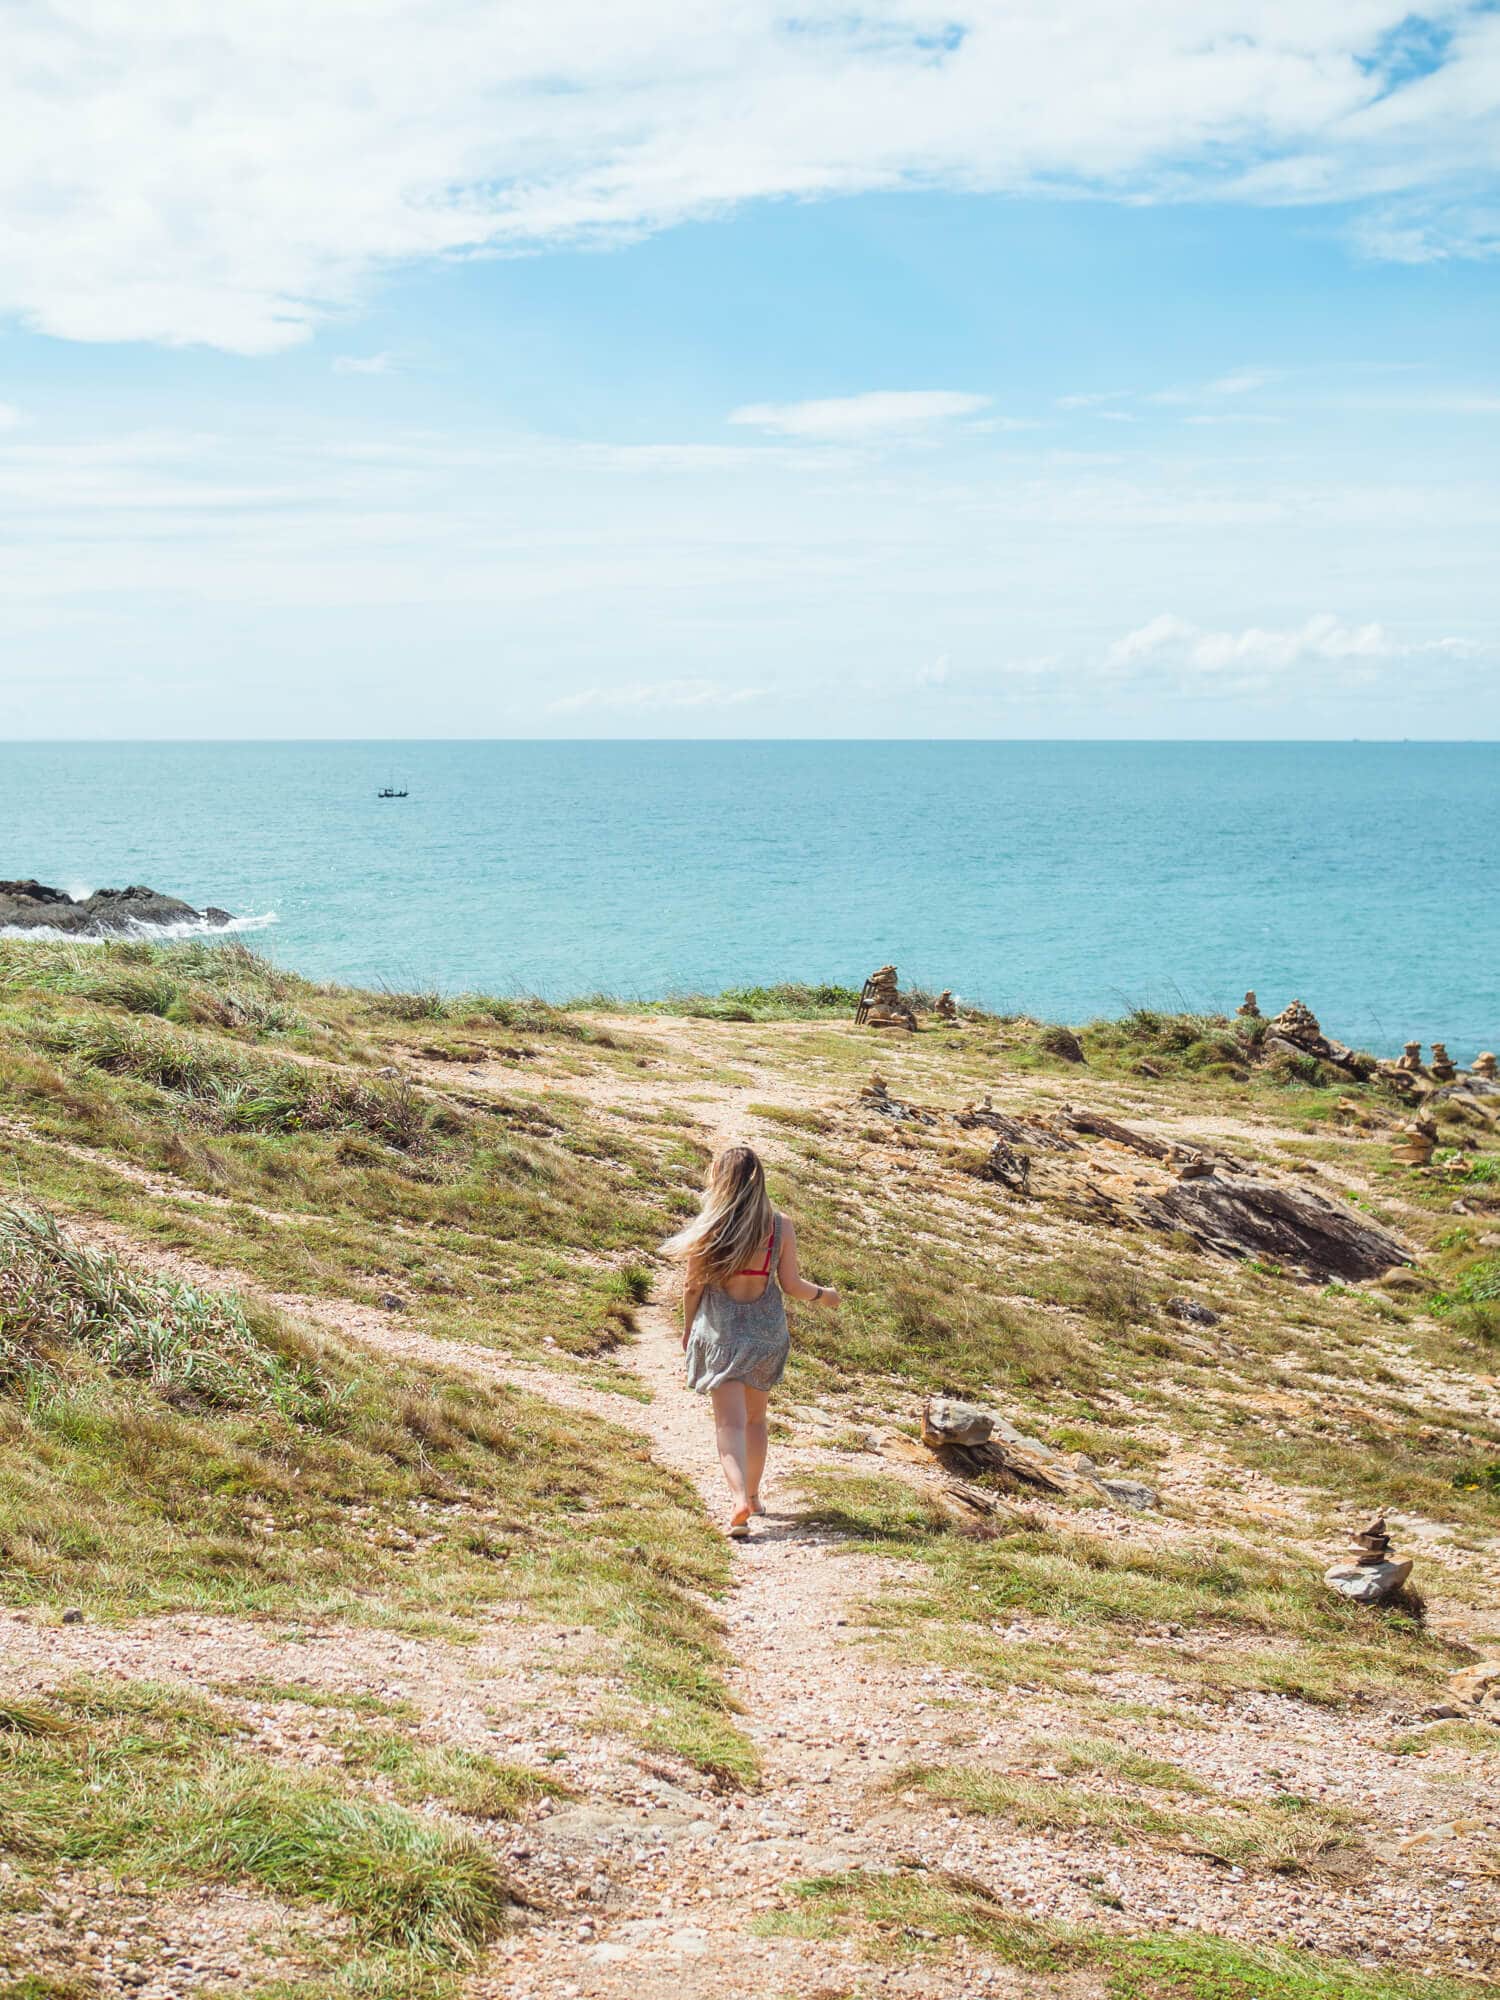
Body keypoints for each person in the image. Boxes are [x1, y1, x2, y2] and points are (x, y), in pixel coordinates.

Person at [662, 1144, 840, 1538]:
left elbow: (693, 1287)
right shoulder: (779, 1225)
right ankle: (756, 1496)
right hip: (765, 1334)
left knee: (729, 1423)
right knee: (757, 1418)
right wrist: (824, 1295)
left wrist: (689, 1327)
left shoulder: (710, 1227)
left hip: (721, 1334)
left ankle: (739, 1497)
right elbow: (791, 1285)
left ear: (719, 1181)